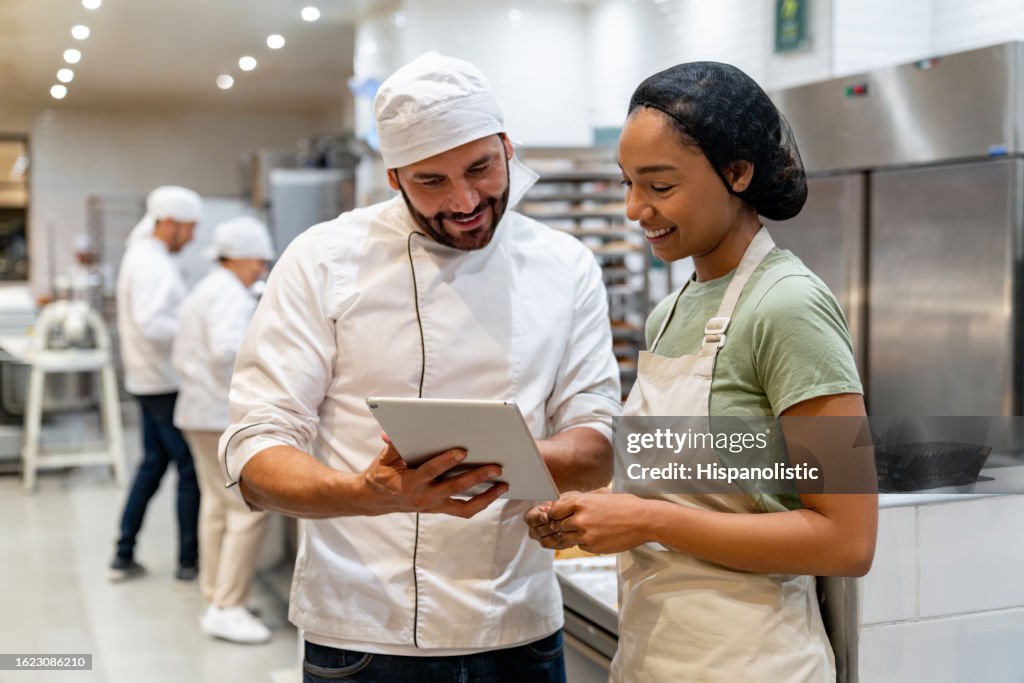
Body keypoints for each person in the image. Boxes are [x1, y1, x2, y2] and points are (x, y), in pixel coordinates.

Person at [219, 52, 620, 682]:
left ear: (508, 146)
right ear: (393, 176)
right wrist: (366, 493)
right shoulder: (324, 260)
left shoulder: (565, 265)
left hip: (519, 629)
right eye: (431, 181)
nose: (463, 201)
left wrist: (506, 464)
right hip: (364, 634)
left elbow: (598, 444)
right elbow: (254, 450)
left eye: (481, 169)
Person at [526, 61, 879, 682]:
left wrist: (646, 520)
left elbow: (847, 540)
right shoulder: (673, 310)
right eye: (628, 184)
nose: (636, 209)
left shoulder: (789, 306)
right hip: (656, 656)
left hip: (751, 661)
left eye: (659, 187)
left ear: (737, 173)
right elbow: (686, 483)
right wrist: (590, 511)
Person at [172, 217, 275, 644]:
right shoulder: (229, 294)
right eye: (259, 262)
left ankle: (217, 596)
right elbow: (227, 351)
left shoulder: (211, 287)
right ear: (245, 257)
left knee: (216, 508)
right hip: (217, 415)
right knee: (249, 509)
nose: (261, 270)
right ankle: (228, 606)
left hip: (198, 412)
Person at [109, 185, 202, 583]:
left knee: (152, 466)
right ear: (168, 223)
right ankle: (188, 563)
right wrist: (197, 328)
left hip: (147, 379)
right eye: (188, 229)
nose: (192, 237)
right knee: (190, 470)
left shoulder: (146, 255)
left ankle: (123, 553)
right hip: (163, 382)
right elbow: (153, 324)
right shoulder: (152, 263)